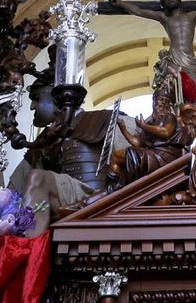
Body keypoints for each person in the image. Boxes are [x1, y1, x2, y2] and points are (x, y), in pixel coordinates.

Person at [9, 80, 119, 234]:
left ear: (55, 96)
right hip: (62, 203)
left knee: (37, 178)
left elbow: (136, 154)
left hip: (97, 198)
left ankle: (28, 254)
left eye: (36, 98)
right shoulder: (44, 141)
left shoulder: (102, 119)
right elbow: (10, 193)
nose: (32, 106)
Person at [105, 0, 196, 103]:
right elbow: (140, 12)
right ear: (163, 4)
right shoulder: (164, 18)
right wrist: (121, 4)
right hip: (174, 59)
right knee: (174, 95)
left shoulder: (192, 15)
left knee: (192, 97)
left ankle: (188, 119)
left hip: (190, 60)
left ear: (178, 1)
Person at [108, 85, 186, 187]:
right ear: (154, 101)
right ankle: (118, 186)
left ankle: (117, 187)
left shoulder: (170, 117)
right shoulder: (150, 121)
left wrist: (143, 126)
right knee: (116, 156)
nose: (163, 103)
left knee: (119, 156)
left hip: (162, 156)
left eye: (166, 101)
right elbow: (138, 143)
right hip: (152, 154)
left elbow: (166, 132)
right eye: (160, 99)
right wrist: (123, 129)